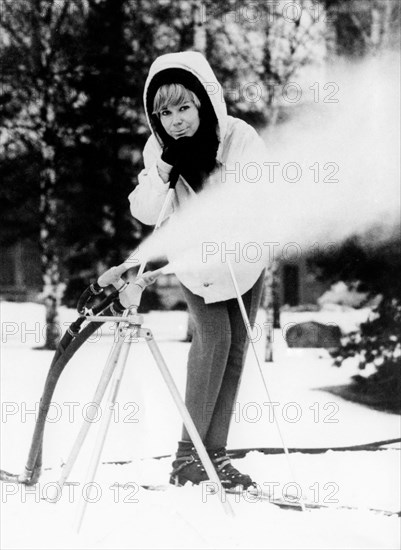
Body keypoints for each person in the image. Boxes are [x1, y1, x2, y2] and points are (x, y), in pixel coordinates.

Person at [129, 51, 268, 489]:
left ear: (204, 102)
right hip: (195, 260)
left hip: (244, 258)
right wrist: (164, 171)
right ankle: (187, 458)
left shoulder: (238, 137)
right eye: (164, 113)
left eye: (184, 108)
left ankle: (216, 455)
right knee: (214, 339)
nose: (175, 122)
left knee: (236, 350)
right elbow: (145, 211)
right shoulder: (158, 149)